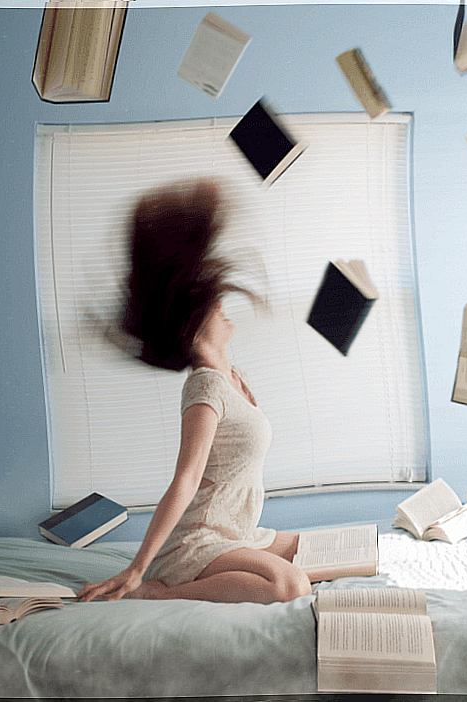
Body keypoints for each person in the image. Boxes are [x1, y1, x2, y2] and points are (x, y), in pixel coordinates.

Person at [77, 180, 314, 604]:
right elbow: (185, 480)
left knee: (326, 549)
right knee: (289, 586)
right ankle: (155, 592)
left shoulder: (231, 376)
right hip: (200, 539)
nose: (221, 303)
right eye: (211, 303)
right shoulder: (205, 387)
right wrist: (136, 569)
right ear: (192, 324)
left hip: (235, 532)